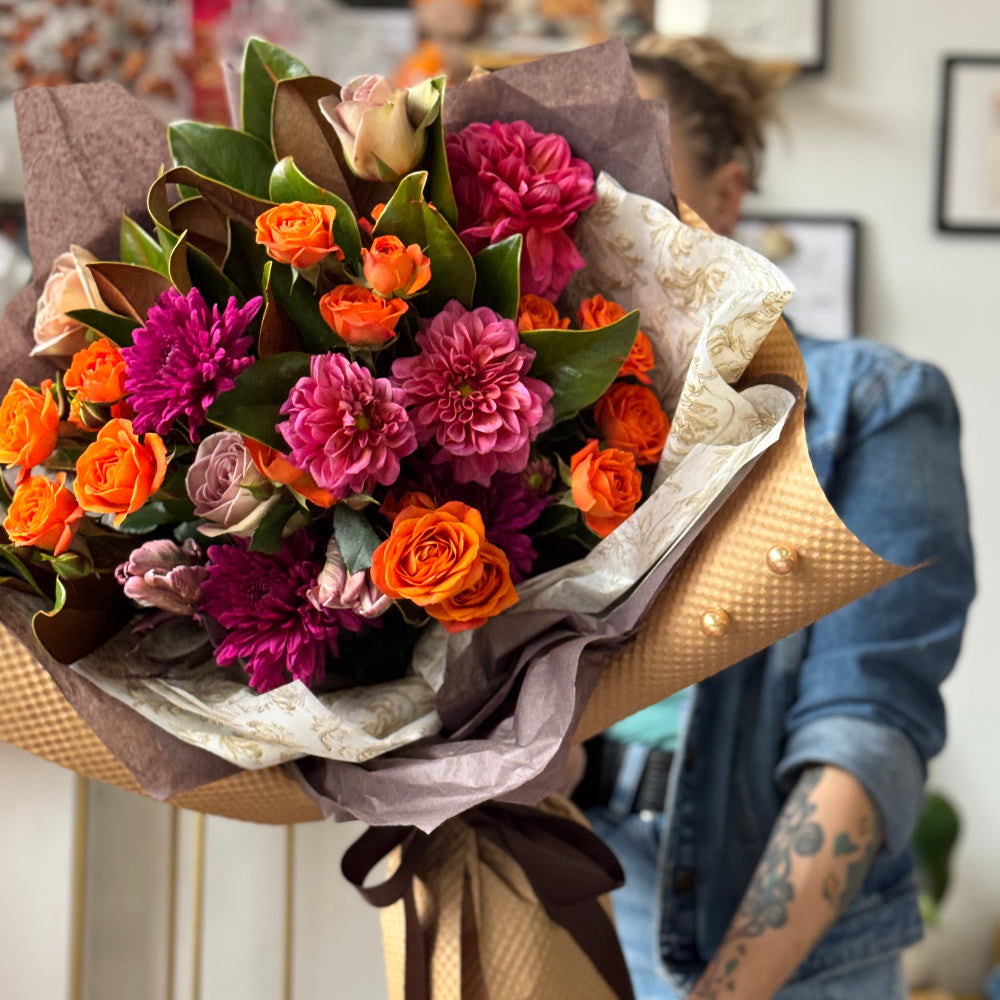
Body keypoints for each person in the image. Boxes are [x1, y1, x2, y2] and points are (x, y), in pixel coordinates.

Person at [574, 35, 977, 1000]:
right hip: (561, 899)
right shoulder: (539, 423)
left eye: (644, 192)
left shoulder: (873, 406)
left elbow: (864, 730)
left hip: (770, 942)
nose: (607, 231)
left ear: (729, 192)